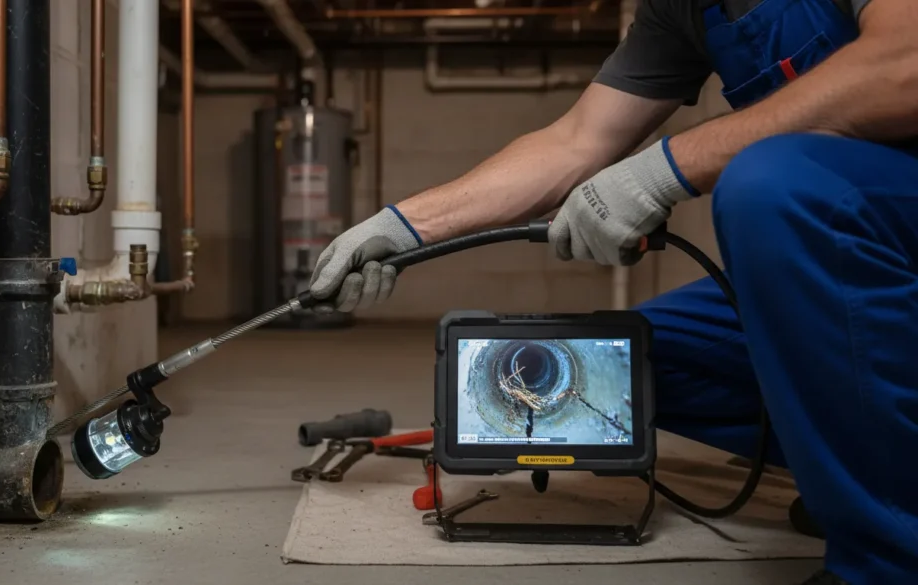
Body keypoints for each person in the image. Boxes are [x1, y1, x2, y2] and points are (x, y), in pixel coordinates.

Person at [307, 1, 918, 583]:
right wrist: (403, 227)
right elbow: (577, 140)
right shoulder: (680, 9)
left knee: (770, 182)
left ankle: (888, 558)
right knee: (613, 368)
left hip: (892, 238)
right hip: (863, 264)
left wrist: (664, 167)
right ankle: (879, 477)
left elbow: (903, 64)